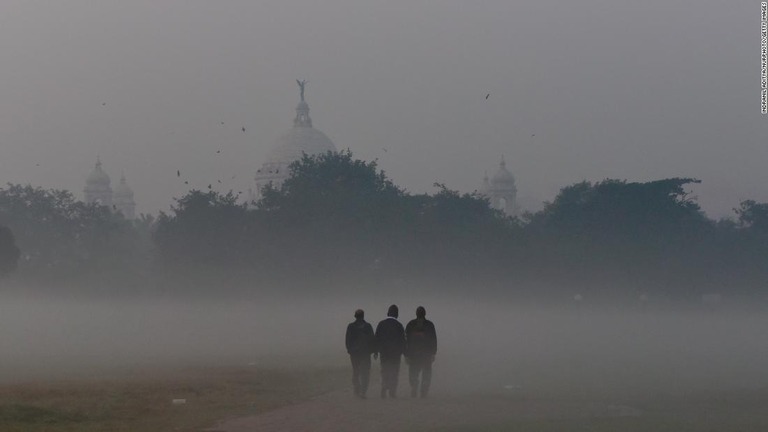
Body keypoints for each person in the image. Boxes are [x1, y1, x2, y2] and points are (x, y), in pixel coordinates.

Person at [405, 306, 437, 398]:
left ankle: (414, 385)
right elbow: (433, 340)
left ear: (416, 314)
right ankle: (424, 390)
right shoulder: (430, 325)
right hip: (426, 353)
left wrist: (406, 354)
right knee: (426, 372)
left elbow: (406, 340)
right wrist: (433, 352)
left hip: (413, 354)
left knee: (413, 372)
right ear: (425, 314)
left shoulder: (410, 324)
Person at [374, 304, 405, 398]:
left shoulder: (381, 324)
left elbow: (376, 338)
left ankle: (384, 387)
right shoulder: (399, 326)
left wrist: (375, 351)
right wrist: (405, 352)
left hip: (384, 352)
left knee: (384, 370)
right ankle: (392, 390)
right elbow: (402, 340)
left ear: (388, 313)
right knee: (394, 372)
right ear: (397, 315)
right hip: (395, 353)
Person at [345, 309, 375, 399]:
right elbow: (372, 340)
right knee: (365, 373)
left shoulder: (351, 326)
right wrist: (373, 351)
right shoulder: (368, 326)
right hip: (365, 353)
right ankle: (363, 391)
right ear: (363, 316)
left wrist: (349, 350)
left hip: (354, 353)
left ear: (355, 316)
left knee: (356, 371)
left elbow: (347, 340)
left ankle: (357, 388)